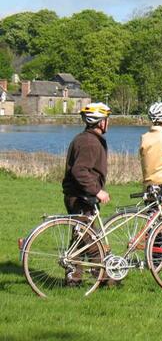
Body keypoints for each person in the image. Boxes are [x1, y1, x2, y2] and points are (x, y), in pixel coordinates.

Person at [62, 102, 111, 286]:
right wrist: (97, 191)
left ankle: (73, 279)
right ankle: (106, 279)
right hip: (81, 197)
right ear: (100, 122)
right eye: (106, 119)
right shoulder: (90, 142)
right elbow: (80, 171)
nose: (108, 123)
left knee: (80, 238)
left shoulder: (84, 138)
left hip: (80, 196)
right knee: (91, 241)